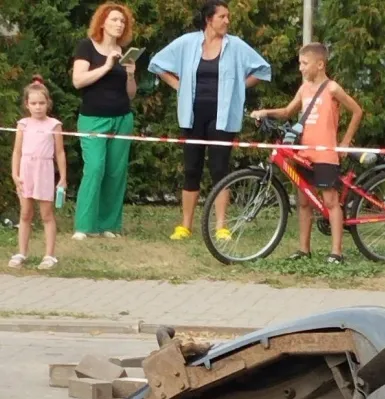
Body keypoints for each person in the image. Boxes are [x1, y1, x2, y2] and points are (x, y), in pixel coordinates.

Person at [149, 0, 272, 241]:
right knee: (191, 169)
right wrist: (178, 85)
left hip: (223, 117)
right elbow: (157, 64)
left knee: (219, 170)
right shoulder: (187, 43)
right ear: (209, 19)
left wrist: (239, 87)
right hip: (192, 115)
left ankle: (221, 226)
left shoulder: (235, 46)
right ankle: (185, 225)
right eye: (222, 16)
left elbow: (262, 69)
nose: (227, 21)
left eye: (228, 17)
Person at [251, 43, 363, 264]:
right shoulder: (303, 89)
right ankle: (304, 249)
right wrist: (266, 112)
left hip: (325, 154)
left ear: (319, 64)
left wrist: (346, 141)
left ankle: (336, 252)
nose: (300, 68)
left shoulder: (332, 88)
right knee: (303, 201)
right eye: (299, 63)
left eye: (304, 63)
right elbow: (287, 112)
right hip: (304, 153)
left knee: (331, 202)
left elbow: (357, 111)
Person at [71, 3, 137, 240]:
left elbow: (130, 94)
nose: (119, 24)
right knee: (95, 168)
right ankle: (84, 226)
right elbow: (78, 81)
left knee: (115, 172)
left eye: (122, 21)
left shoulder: (123, 51)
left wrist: (130, 74)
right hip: (93, 118)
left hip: (122, 117)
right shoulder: (87, 47)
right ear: (102, 23)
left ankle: (107, 224)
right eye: (114, 20)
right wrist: (108, 65)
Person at [8, 79, 67, 271]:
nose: (38, 107)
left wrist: (63, 178)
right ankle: (21, 252)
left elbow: (59, 153)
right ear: (27, 105)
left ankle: (49, 255)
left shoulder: (54, 125)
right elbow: (17, 151)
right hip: (26, 170)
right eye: (33, 103)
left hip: (44, 170)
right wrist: (15, 174)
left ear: (48, 103)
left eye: (41, 103)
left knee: (46, 214)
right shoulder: (23, 124)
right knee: (25, 213)